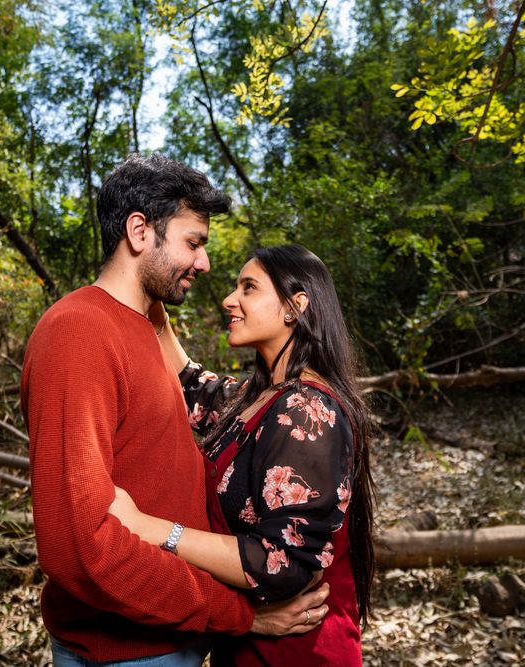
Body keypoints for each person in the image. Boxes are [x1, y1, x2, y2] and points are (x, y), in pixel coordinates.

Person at [21, 155, 329, 667]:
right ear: (139, 231)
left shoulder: (139, 328)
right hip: (127, 653)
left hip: (174, 637)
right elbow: (78, 548)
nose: (205, 263)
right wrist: (238, 614)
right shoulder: (76, 334)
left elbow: (200, 392)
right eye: (193, 243)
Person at [107, 244, 377, 666]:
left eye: (248, 288)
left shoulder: (309, 413)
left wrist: (152, 530)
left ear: (295, 307)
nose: (229, 299)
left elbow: (283, 561)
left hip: (297, 652)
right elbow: (191, 383)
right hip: (246, 642)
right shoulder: (258, 397)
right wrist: (150, 279)